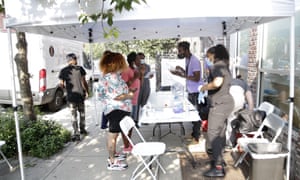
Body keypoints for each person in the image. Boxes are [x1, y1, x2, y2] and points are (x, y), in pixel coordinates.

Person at [199, 44, 234, 177]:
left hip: (219, 105)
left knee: (213, 134)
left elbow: (217, 82)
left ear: (213, 55)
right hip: (226, 103)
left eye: (208, 57)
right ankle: (220, 161)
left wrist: (204, 88)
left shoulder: (217, 66)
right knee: (220, 134)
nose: (207, 59)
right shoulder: (224, 65)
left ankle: (218, 167)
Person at [96, 52, 133, 171]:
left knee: (114, 135)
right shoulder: (113, 77)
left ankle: (114, 155)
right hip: (116, 110)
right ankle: (112, 162)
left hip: (113, 109)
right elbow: (117, 96)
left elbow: (103, 95)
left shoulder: (107, 76)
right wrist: (130, 95)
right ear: (117, 63)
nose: (124, 64)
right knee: (112, 135)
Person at [170, 41, 204, 143]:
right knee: (192, 114)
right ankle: (194, 134)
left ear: (186, 49)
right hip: (191, 90)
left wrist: (181, 75)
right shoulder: (188, 60)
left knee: (196, 114)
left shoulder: (194, 61)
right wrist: (180, 71)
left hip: (196, 92)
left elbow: (196, 78)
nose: (179, 53)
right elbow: (189, 74)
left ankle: (196, 137)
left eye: (180, 51)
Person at [59, 53, 89, 141]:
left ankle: (76, 133)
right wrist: (87, 91)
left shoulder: (63, 71)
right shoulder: (80, 69)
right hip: (80, 95)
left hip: (71, 97)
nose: (77, 60)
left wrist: (66, 90)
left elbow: (61, 85)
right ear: (72, 60)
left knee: (73, 116)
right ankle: (82, 129)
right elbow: (84, 82)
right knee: (82, 114)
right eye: (75, 58)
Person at [226, 75, 254, 147]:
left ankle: (227, 141)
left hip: (227, 101)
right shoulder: (245, 84)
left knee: (228, 121)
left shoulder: (230, 81)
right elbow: (250, 101)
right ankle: (231, 142)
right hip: (238, 102)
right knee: (233, 121)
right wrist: (250, 113)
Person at [121, 52, 141, 153]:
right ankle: (126, 146)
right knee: (127, 124)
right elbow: (124, 85)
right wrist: (134, 77)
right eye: (138, 59)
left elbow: (138, 80)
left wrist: (139, 74)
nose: (140, 61)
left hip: (135, 100)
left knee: (131, 124)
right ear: (133, 61)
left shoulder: (135, 69)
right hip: (129, 101)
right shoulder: (126, 70)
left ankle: (129, 143)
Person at [136, 52, 153, 124]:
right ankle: (136, 119)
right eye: (140, 58)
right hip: (138, 86)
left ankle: (144, 119)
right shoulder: (136, 67)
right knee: (137, 103)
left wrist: (150, 76)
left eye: (143, 58)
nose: (142, 60)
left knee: (144, 103)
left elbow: (149, 75)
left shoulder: (147, 66)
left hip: (146, 85)